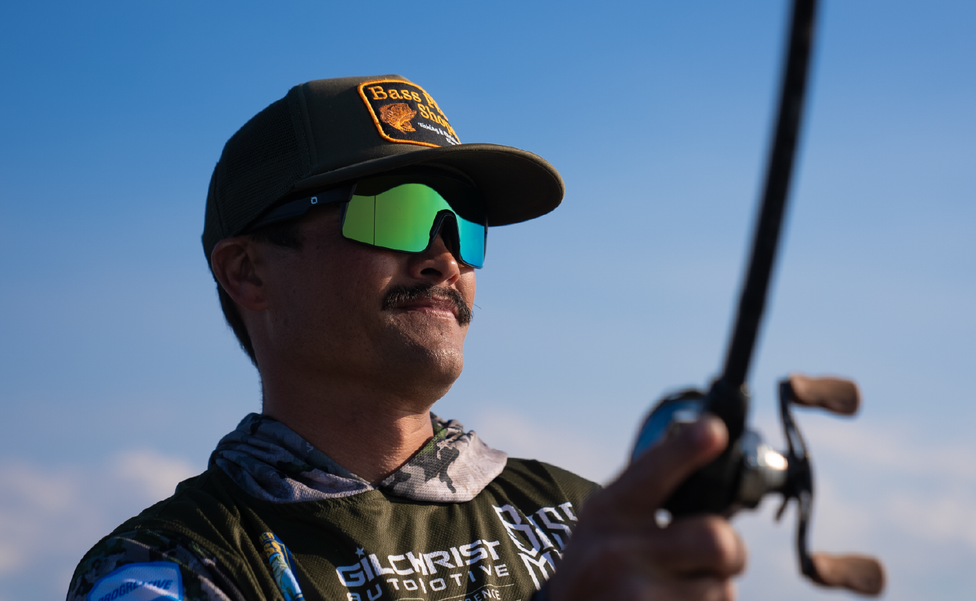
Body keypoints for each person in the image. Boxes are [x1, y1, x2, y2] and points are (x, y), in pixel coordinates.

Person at [67, 75, 746, 601]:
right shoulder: (170, 562)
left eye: (463, 223)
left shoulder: (579, 518)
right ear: (248, 271)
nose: (443, 256)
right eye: (400, 211)